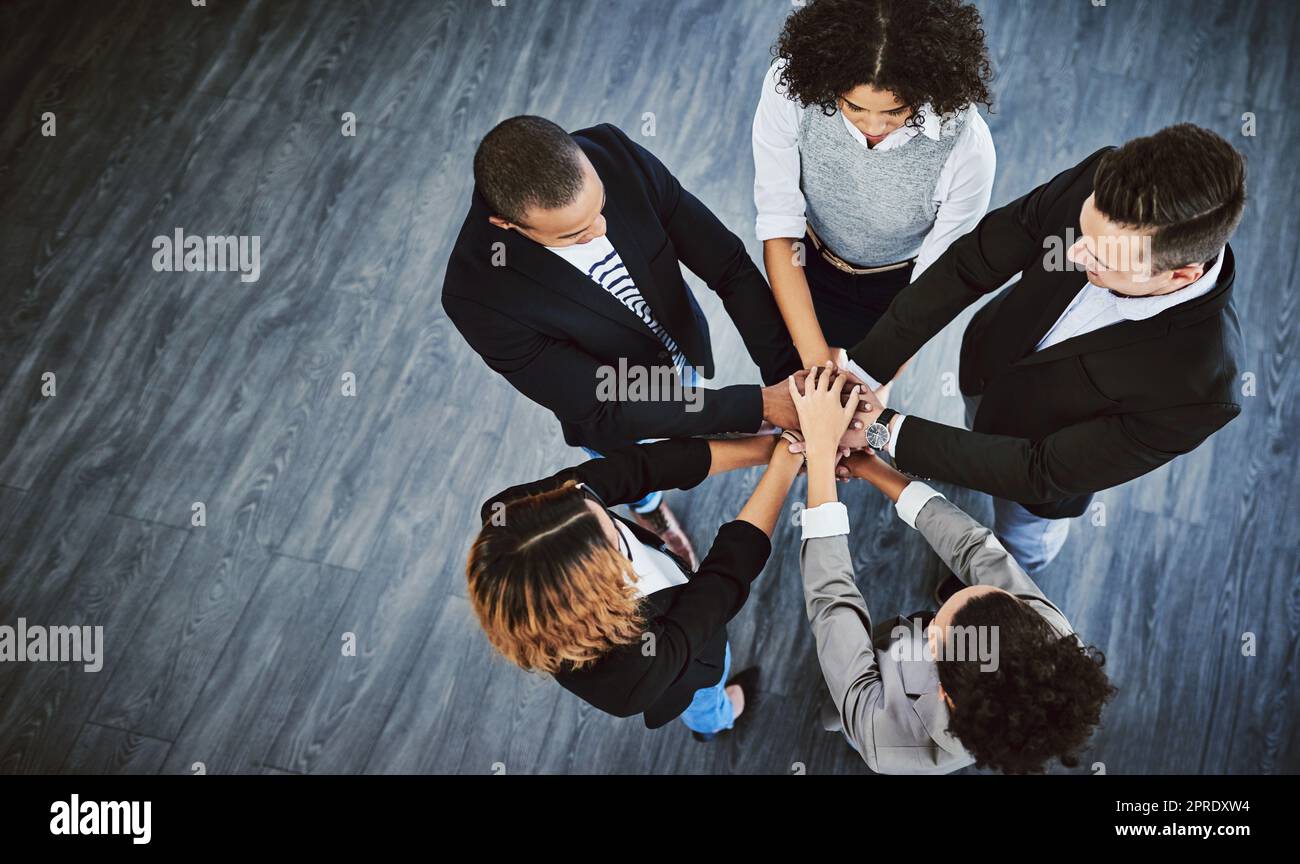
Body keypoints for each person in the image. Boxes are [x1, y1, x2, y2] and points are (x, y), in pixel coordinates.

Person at [843, 123, 1247, 574]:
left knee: (1018, 544)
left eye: (1102, 260)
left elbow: (1040, 472)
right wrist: (861, 372)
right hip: (986, 367)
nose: (1073, 255)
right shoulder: (1100, 179)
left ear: (1181, 275)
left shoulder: (1202, 386)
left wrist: (882, 430)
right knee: (973, 438)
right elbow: (970, 263)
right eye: (1083, 234)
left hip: (1037, 474)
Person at [445, 115, 805, 567]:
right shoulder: (477, 296)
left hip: (679, 344)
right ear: (506, 224)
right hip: (618, 408)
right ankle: (650, 511)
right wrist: (760, 406)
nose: (601, 229)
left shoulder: (611, 152)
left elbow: (728, 266)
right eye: (575, 234)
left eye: (601, 206)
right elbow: (605, 405)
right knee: (641, 470)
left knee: (700, 405)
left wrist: (790, 382)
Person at [788, 364, 1115, 773]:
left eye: (933, 628)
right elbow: (974, 547)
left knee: (834, 709)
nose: (924, 623)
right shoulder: (1044, 633)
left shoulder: (885, 740)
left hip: (863, 709)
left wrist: (820, 459)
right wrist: (869, 467)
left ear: (945, 694)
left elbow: (833, 605)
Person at [466, 434, 805, 741]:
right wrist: (784, 466)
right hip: (690, 665)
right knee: (706, 698)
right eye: (619, 542)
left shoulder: (513, 516)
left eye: (587, 498)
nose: (594, 498)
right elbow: (724, 577)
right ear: (607, 585)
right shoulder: (632, 674)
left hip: (669, 620)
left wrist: (772, 447)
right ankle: (715, 722)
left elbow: (639, 468)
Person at [752, 0, 996, 397]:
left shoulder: (968, 149)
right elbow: (779, 222)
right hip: (802, 260)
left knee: (861, 406)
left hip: (896, 290)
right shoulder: (789, 87)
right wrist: (818, 372)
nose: (873, 125)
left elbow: (933, 289)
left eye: (896, 110)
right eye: (853, 106)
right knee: (798, 388)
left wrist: (864, 384)